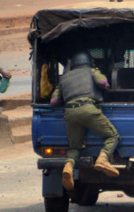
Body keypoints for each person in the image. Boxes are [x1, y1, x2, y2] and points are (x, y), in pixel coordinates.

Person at [49, 52, 121, 190]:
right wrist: (106, 89)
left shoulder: (64, 78)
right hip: (88, 109)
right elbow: (103, 83)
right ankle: (102, 159)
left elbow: (54, 101)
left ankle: (69, 166)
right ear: (90, 62)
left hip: (70, 113)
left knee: (75, 147)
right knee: (113, 136)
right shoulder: (91, 71)